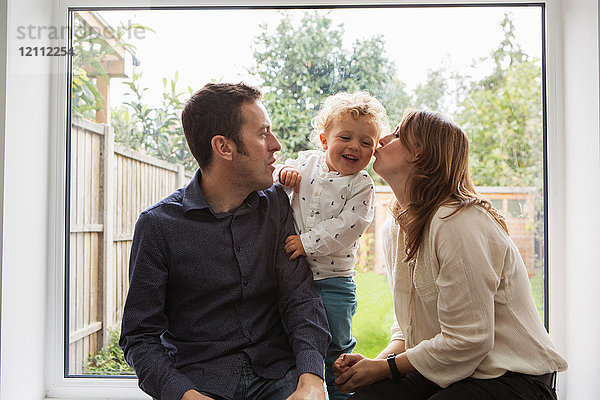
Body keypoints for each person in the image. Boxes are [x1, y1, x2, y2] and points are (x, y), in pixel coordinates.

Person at [332, 109, 567, 400]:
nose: (382, 139)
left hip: (513, 378)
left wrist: (385, 369)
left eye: (397, 136)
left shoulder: (458, 221)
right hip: (445, 373)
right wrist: (373, 367)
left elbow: (469, 339)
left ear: (420, 155)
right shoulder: (394, 228)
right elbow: (409, 328)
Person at [119, 82, 331, 400]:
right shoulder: (158, 226)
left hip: (279, 380)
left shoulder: (275, 204)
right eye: (262, 134)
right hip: (200, 385)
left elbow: (301, 300)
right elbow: (140, 336)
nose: (276, 144)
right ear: (224, 147)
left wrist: (312, 379)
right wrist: (184, 395)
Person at [274, 92, 388, 400]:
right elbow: (274, 178)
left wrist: (306, 242)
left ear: (374, 151)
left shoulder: (362, 184)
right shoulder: (305, 163)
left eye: (366, 143)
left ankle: (341, 392)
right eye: (346, 137)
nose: (355, 147)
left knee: (336, 345)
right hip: (294, 279)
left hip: (335, 282)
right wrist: (283, 174)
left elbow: (347, 227)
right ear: (324, 140)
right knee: (294, 341)